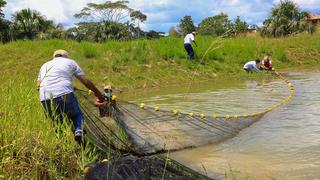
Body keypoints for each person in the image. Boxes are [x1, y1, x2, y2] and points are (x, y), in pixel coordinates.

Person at [36, 50, 105, 144]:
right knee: (76, 115)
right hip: (64, 94)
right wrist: (97, 93)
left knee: (57, 123)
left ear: (54, 57)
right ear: (66, 57)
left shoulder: (44, 65)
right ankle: (78, 131)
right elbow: (85, 81)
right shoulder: (70, 62)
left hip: (45, 97)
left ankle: (63, 144)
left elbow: (38, 86)